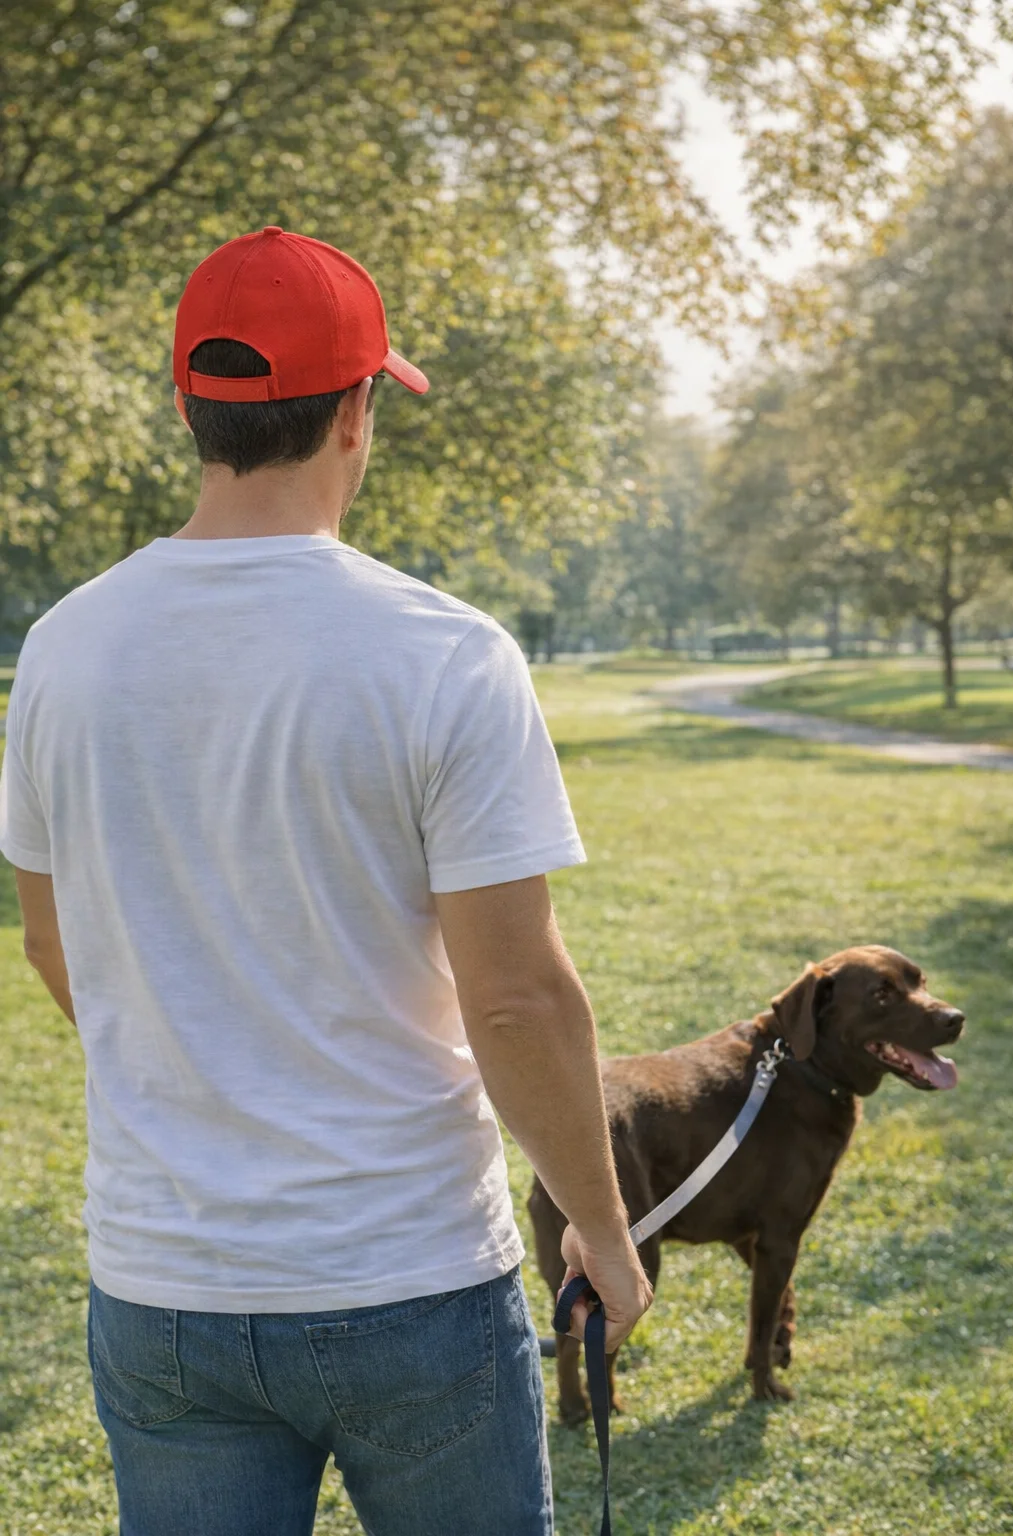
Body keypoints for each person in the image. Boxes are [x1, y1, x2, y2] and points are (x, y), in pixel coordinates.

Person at [0, 227, 652, 1536]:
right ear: (358, 410)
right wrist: (604, 1230)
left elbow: (54, 944)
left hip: (166, 1286)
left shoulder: (61, 652)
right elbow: (516, 1000)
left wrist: (204, 1077)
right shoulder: (446, 658)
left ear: (193, 406)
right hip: (406, 1280)